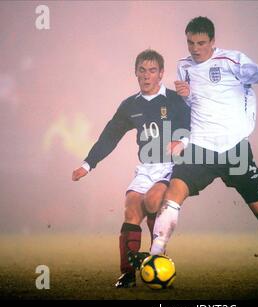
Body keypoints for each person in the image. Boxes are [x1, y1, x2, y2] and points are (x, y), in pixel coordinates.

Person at [145, 16, 258, 285]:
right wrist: (185, 99)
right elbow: (190, 108)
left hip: (234, 149)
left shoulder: (232, 61)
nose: (195, 48)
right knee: (173, 195)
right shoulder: (183, 66)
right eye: (190, 42)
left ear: (212, 42)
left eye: (201, 43)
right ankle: (155, 256)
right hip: (200, 147)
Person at [71, 49, 190, 288]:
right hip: (146, 168)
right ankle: (128, 273)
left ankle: (156, 255)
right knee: (131, 210)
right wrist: (88, 164)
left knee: (154, 200)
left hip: (170, 166)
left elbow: (192, 124)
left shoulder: (175, 100)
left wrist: (182, 141)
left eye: (152, 70)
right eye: (142, 70)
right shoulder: (129, 105)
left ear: (161, 74)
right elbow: (109, 136)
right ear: (136, 73)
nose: (147, 76)